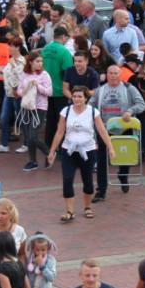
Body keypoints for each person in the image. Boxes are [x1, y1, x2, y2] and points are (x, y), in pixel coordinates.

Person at [47, 86, 116, 222]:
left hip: (88, 151)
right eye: (75, 96)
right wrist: (52, 151)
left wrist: (110, 147)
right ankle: (69, 211)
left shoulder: (93, 112)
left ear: (86, 98)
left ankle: (87, 207)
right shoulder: (65, 112)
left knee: (87, 180)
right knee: (67, 179)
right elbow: (60, 132)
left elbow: (102, 131)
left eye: (80, 96)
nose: (77, 99)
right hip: (69, 150)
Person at [92, 64, 145, 201]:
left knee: (124, 157)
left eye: (116, 73)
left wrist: (130, 111)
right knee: (102, 160)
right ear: (107, 75)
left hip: (124, 128)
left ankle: (123, 175)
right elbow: (91, 106)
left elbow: (141, 104)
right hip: (105, 129)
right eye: (110, 73)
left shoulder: (129, 88)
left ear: (120, 75)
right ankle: (101, 190)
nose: (113, 76)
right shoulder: (100, 90)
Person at [17, 50, 53, 171]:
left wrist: (38, 86)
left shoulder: (44, 75)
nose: (39, 64)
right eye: (37, 61)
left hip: (40, 107)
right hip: (27, 107)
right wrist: (24, 91)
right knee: (28, 135)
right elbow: (19, 90)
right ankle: (33, 161)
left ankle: (49, 154)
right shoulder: (24, 74)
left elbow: (49, 92)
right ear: (30, 62)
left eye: (41, 62)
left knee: (33, 135)